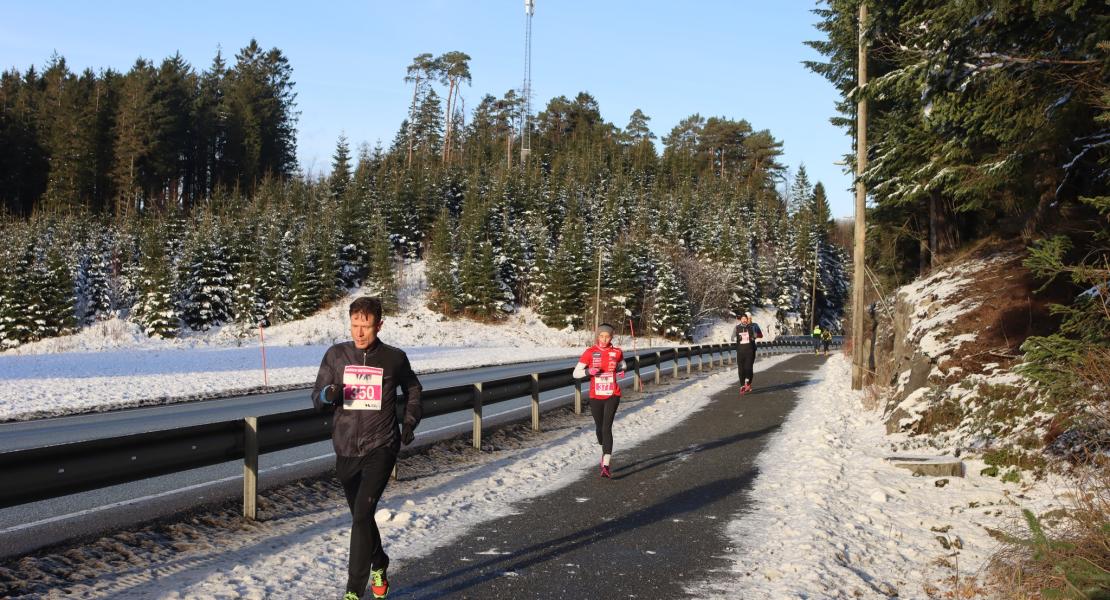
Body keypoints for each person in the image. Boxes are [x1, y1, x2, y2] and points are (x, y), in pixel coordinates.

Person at [313, 296, 422, 600]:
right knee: (361, 518)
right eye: (355, 325)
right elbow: (316, 399)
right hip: (346, 450)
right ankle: (379, 561)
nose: (359, 333)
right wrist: (328, 393)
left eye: (366, 326)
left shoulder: (394, 358)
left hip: (381, 446)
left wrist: (410, 421)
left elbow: (413, 388)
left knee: (362, 512)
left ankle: (352, 591)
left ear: (380, 325)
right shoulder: (336, 356)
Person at [573, 323, 627, 478]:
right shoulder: (590, 352)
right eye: (601, 336)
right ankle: (604, 450)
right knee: (599, 427)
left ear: (612, 337)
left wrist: (621, 370)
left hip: (612, 394)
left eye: (607, 336)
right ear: (598, 336)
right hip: (595, 396)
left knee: (606, 427)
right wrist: (589, 371)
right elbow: (575, 373)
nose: (604, 339)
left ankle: (606, 464)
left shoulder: (616, 352)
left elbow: (623, 365)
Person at [733, 313, 763, 394]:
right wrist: (737, 337)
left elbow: (759, 335)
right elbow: (733, 337)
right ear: (741, 319)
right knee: (741, 369)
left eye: (747, 318)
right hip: (740, 351)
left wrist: (753, 336)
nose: (746, 320)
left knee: (748, 367)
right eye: (743, 318)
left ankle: (748, 382)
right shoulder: (737, 327)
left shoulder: (753, 326)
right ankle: (742, 386)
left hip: (751, 349)